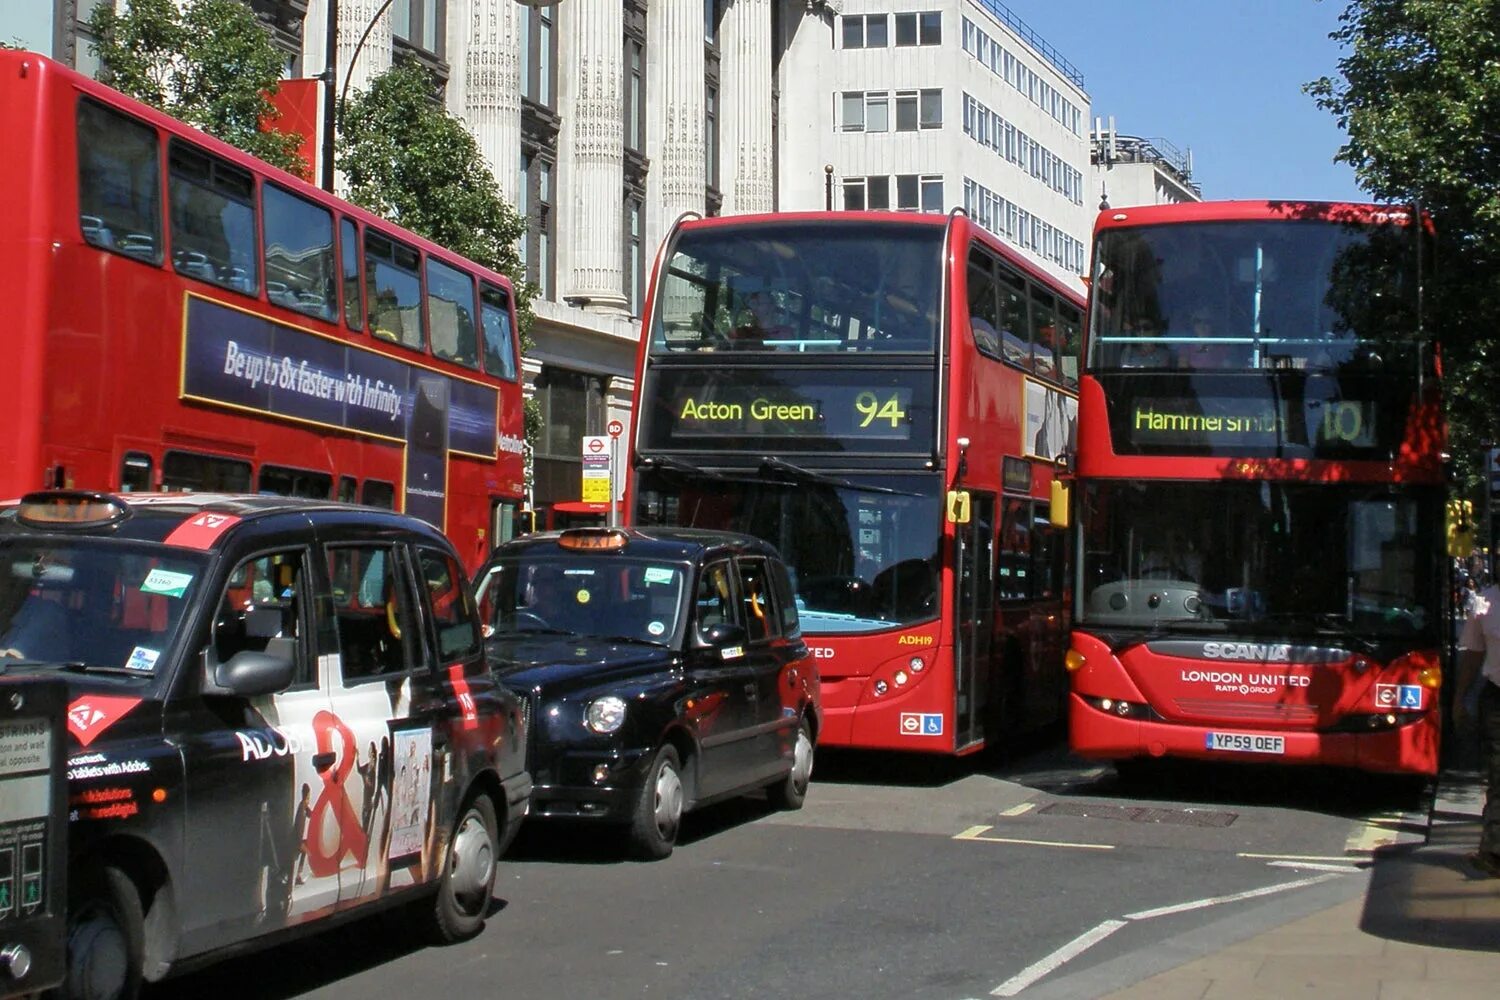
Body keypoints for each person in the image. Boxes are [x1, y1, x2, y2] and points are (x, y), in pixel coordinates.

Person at [1456, 580, 1500, 878]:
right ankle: (1494, 852)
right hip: (1497, 698)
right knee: (1498, 773)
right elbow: (1472, 653)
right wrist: (1459, 697)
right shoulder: (1484, 601)